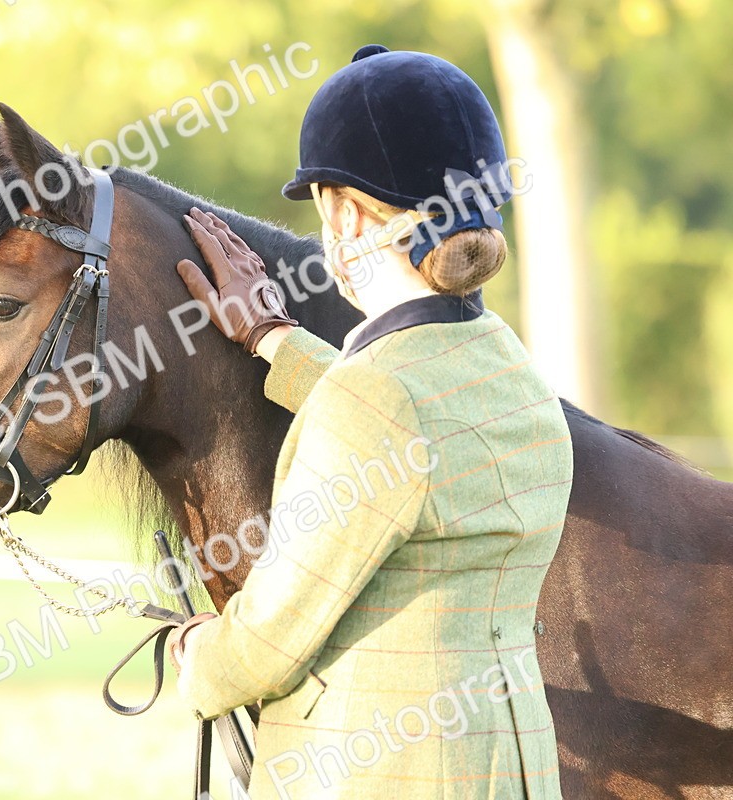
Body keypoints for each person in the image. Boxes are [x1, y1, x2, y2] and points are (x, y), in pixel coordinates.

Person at [166, 45, 573, 799]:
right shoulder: (510, 370)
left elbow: (264, 648)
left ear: (347, 214)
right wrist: (271, 339)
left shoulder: (374, 402)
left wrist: (197, 653)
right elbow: (422, 436)